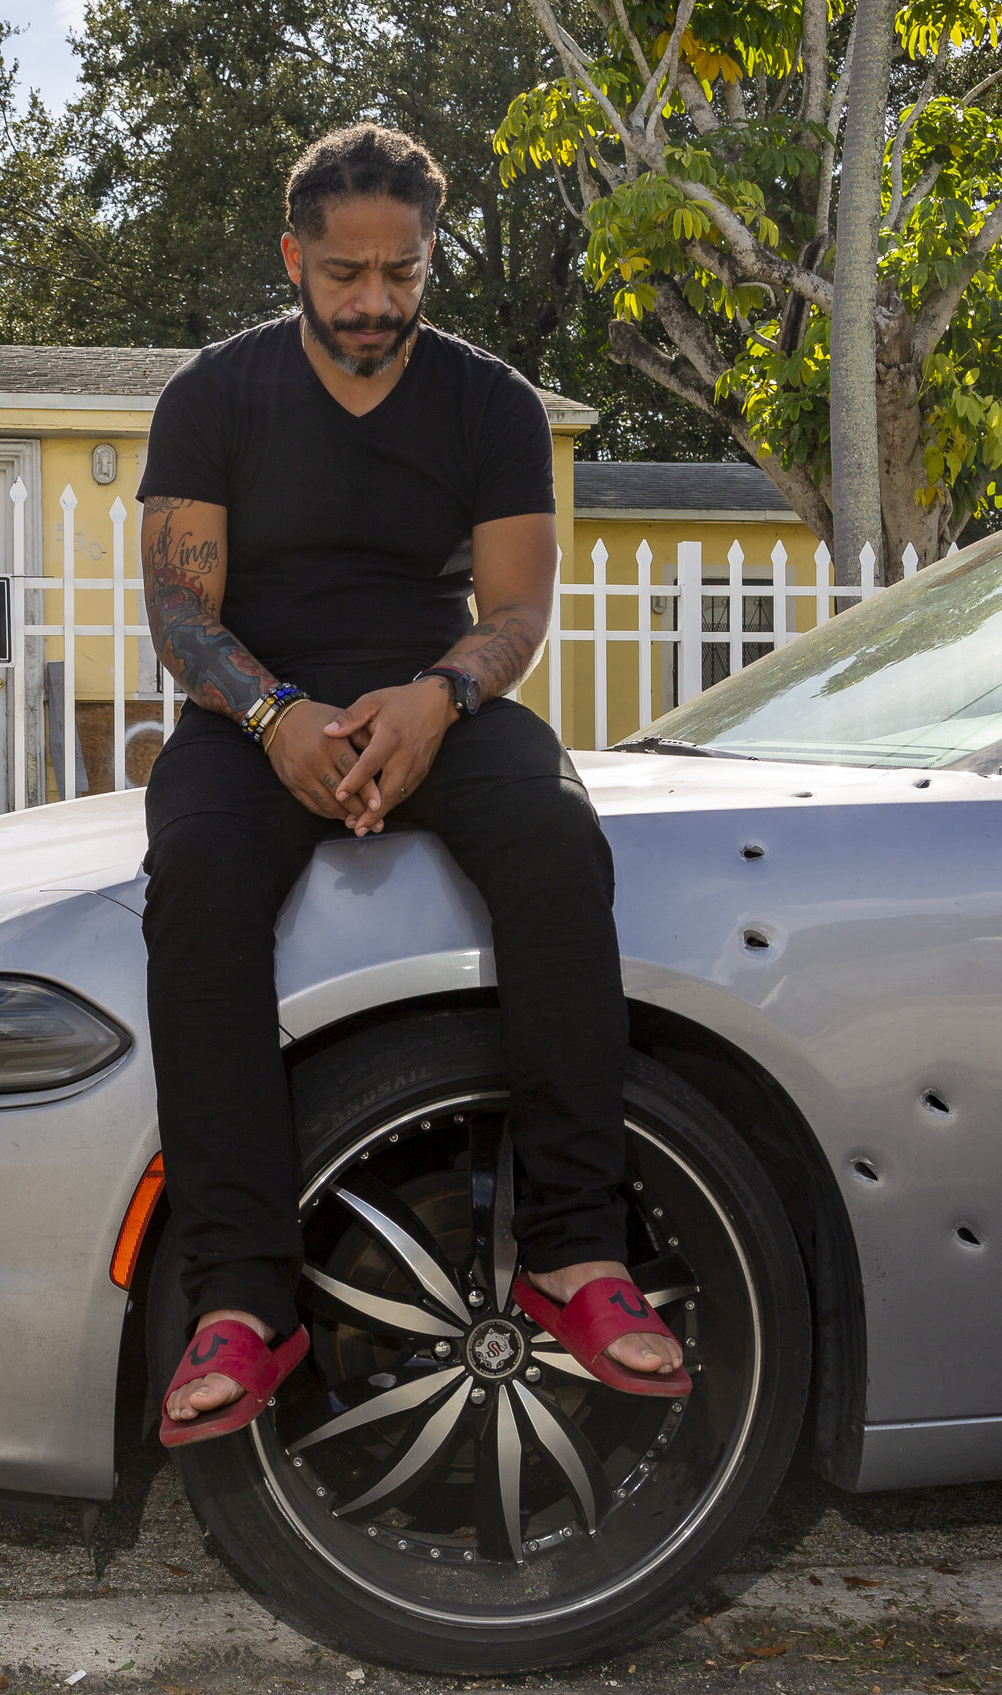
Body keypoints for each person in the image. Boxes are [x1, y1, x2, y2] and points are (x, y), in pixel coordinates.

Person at [138, 122, 688, 1446]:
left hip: (438, 689)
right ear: (294, 259)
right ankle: (245, 1296)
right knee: (198, 878)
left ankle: (572, 1253)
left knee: (560, 850)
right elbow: (179, 615)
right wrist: (278, 719)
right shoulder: (213, 397)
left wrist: (436, 702)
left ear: (430, 257)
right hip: (261, 702)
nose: (375, 302)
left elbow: (511, 612)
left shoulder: (488, 402)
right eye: (344, 275)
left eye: (402, 272)